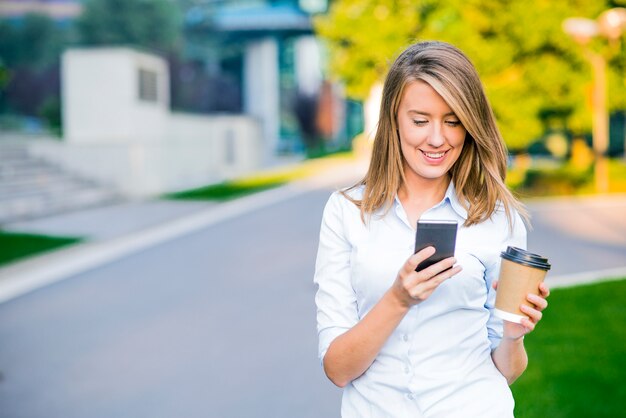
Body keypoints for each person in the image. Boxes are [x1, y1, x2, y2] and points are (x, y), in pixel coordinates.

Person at [313, 40, 550, 418]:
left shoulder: (497, 218)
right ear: (393, 119)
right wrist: (398, 300)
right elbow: (338, 369)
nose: (438, 139)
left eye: (453, 121)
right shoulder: (346, 212)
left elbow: (505, 370)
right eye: (420, 120)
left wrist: (514, 335)